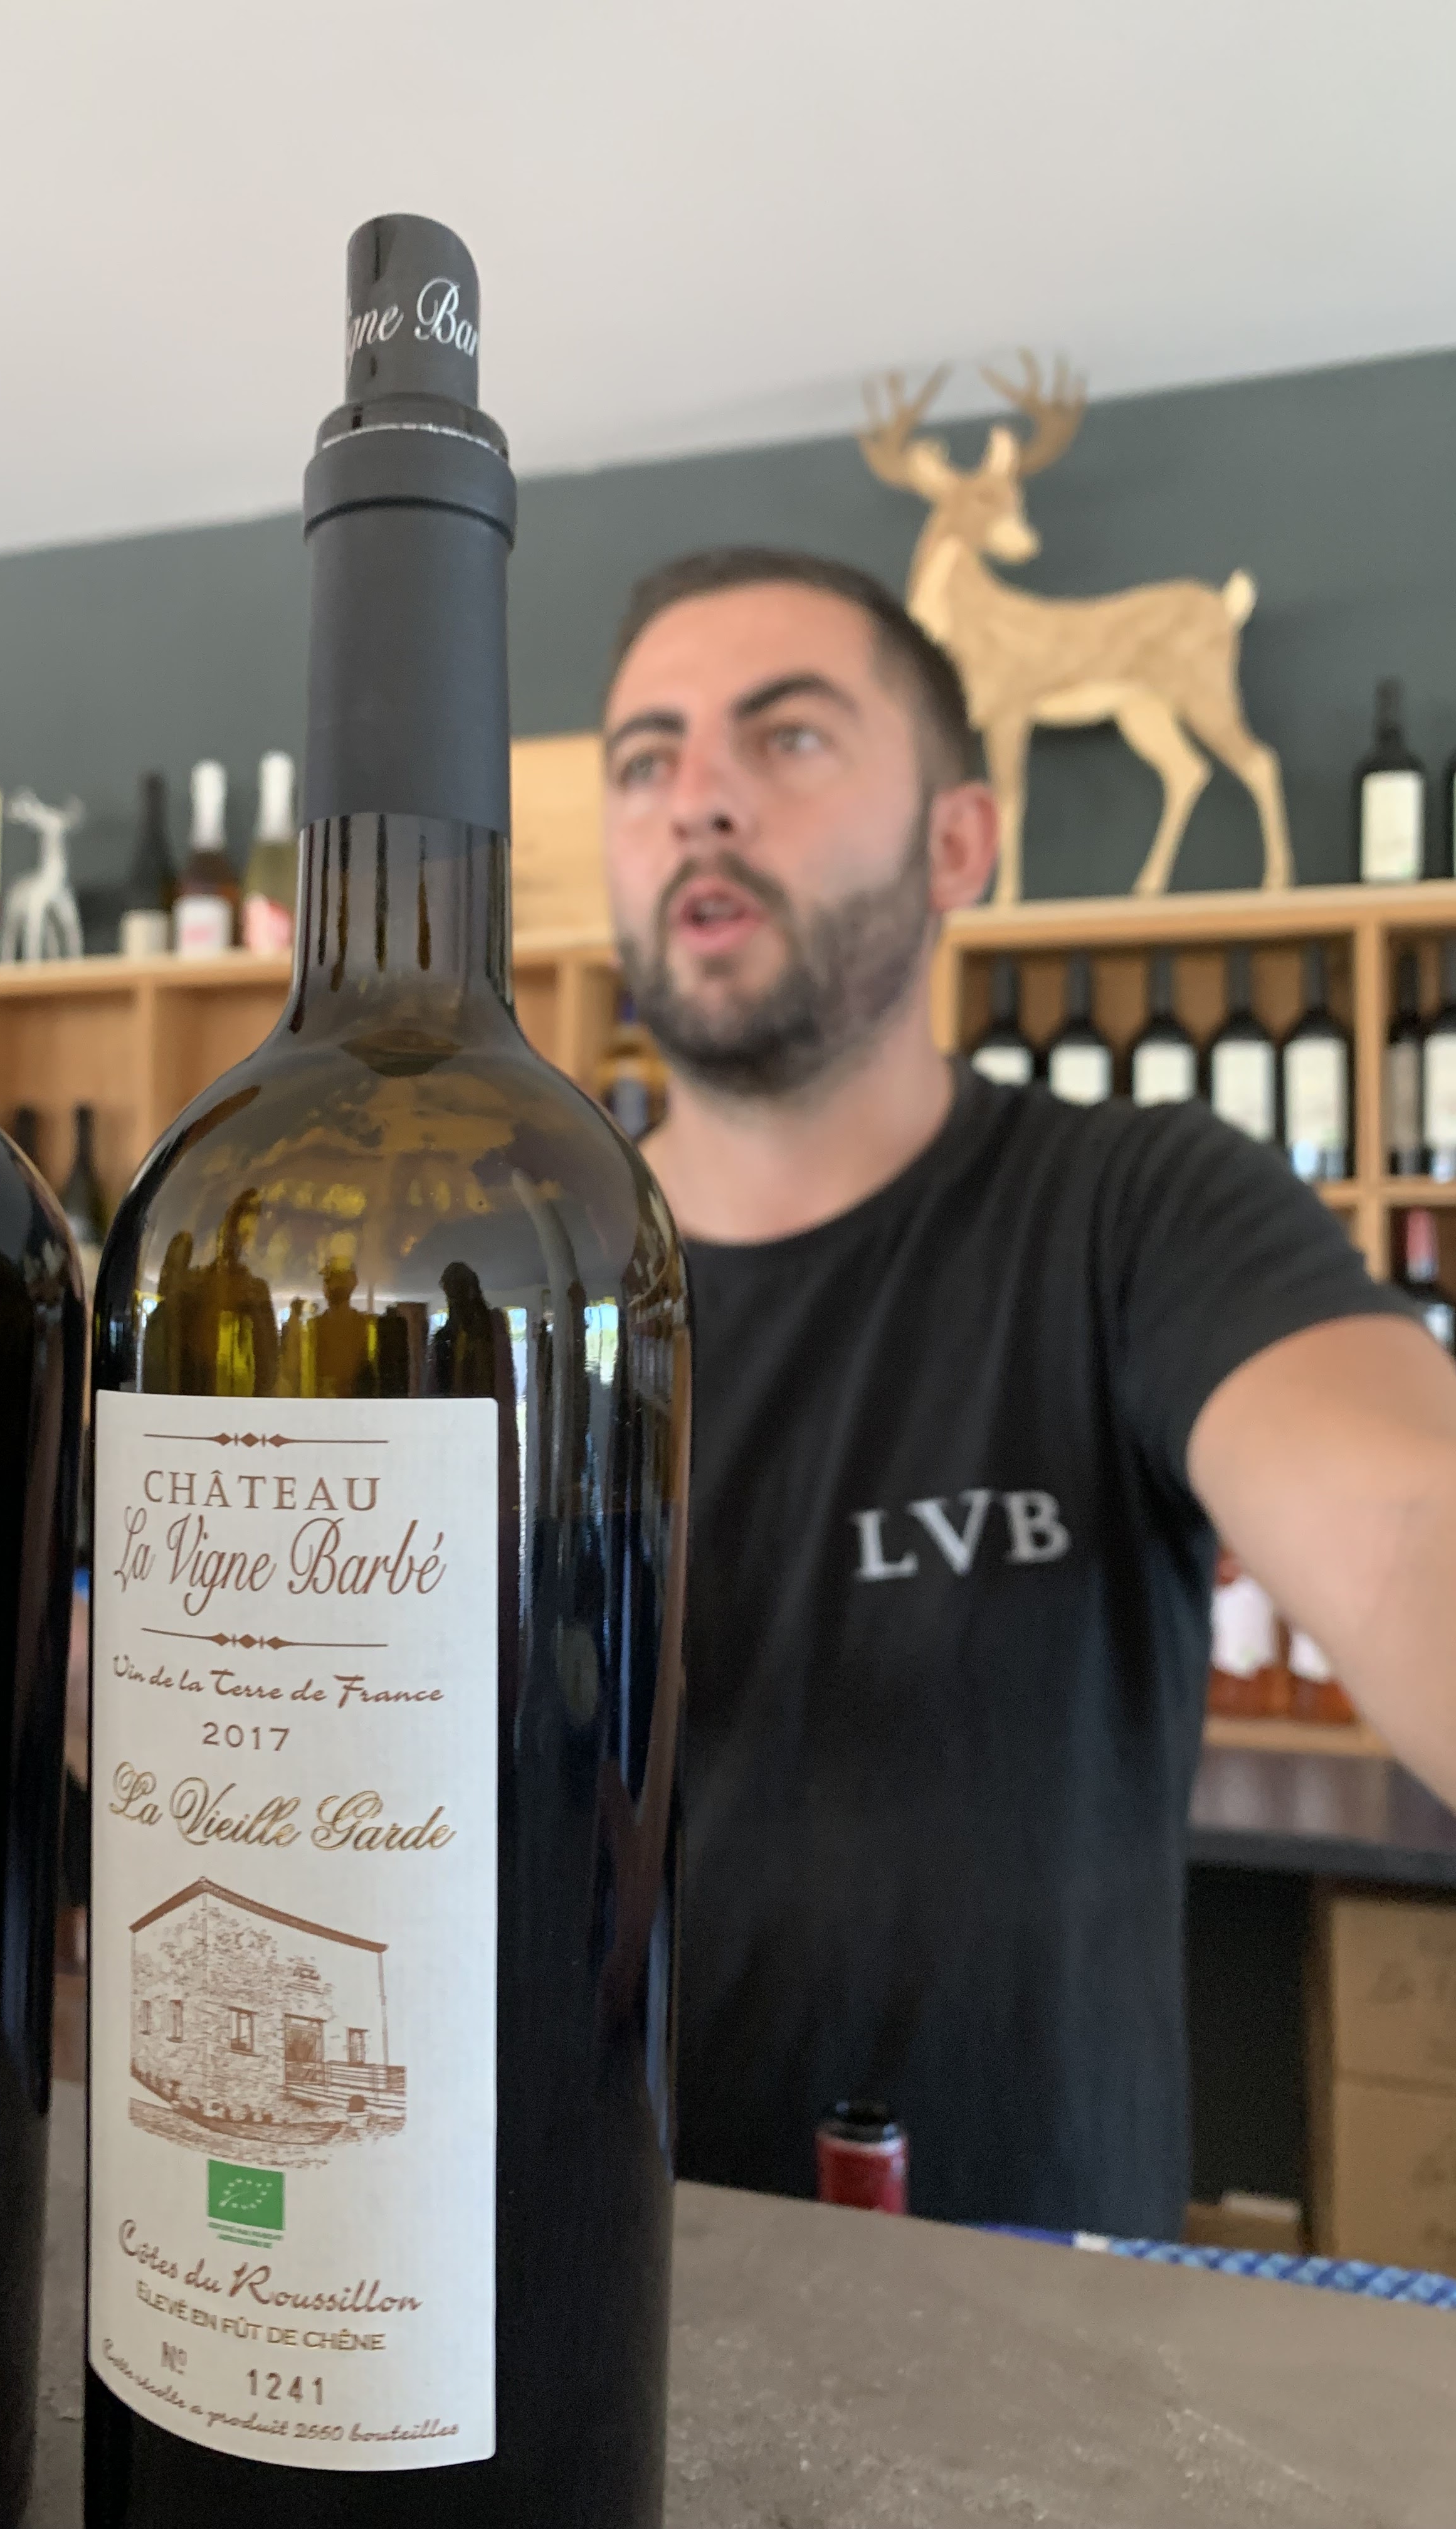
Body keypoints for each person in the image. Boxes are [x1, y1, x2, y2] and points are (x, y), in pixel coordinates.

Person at [599, 546, 1456, 2237]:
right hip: (578, 2289)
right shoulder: (511, 1281)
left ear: (958, 846)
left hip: (1031, 2327)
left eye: (787, 736)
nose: (699, 798)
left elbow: (1405, 1519)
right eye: (646, 759)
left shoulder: (1137, 1214)